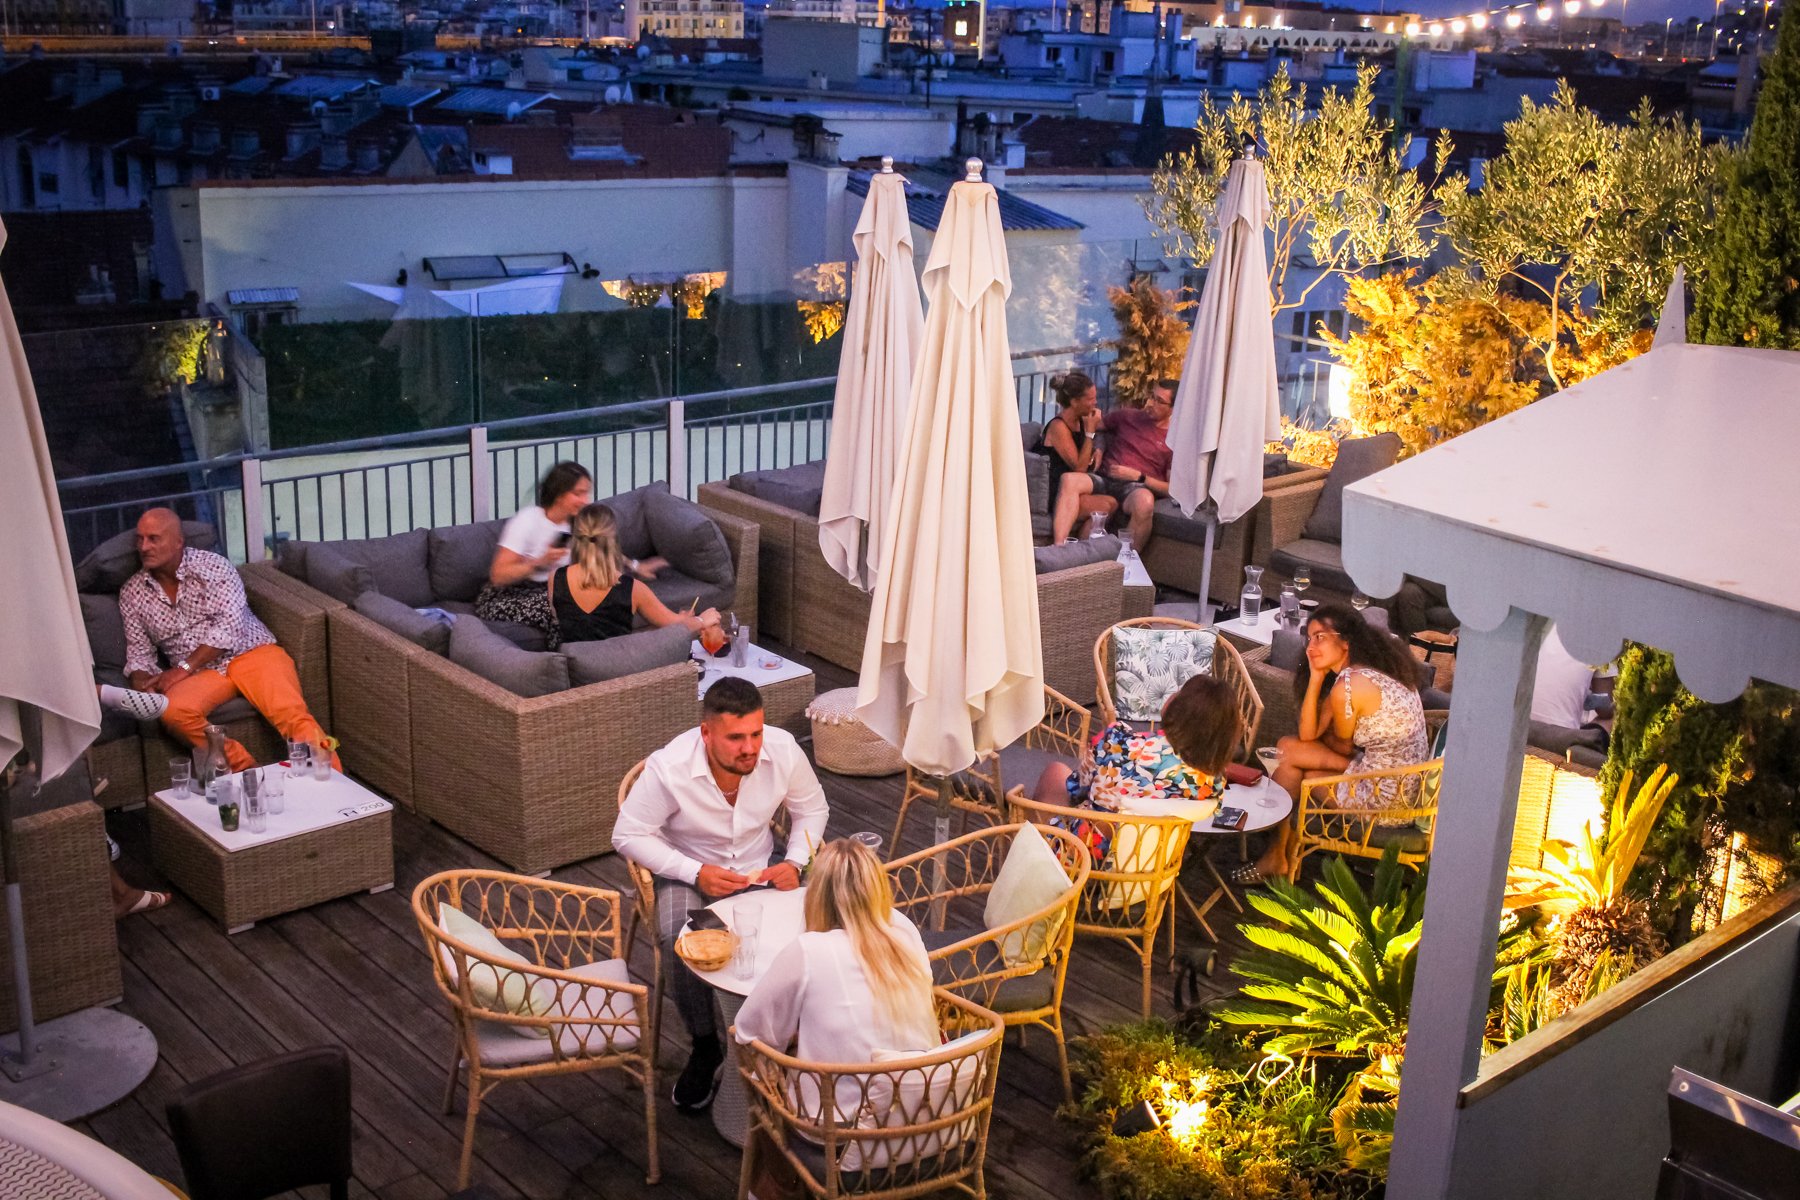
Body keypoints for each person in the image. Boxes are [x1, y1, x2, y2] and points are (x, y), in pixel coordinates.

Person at [611, 677, 830, 1113]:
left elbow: (812, 808)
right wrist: (696, 872)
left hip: (763, 868)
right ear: (706, 733)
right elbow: (628, 834)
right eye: (735, 737)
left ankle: (799, 1038)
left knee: (822, 925)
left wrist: (796, 862)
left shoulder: (783, 750)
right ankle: (706, 1045)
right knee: (679, 934)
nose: (749, 747)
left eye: (755, 733)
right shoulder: (669, 769)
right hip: (689, 875)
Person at [116, 508, 336, 774]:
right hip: (202, 673)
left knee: (292, 715)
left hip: (251, 651)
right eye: (139, 540)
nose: (144, 547)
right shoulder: (132, 593)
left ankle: (336, 787)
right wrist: (141, 680)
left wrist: (181, 669)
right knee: (172, 712)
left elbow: (229, 628)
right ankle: (246, 773)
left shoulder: (213, 566)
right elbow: (139, 652)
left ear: (178, 542)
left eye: (153, 539)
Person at [1239, 603, 1428, 883]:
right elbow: (1309, 735)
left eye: (1321, 637)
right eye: (1309, 638)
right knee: (1290, 753)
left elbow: (1341, 747)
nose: (1310, 647)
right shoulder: (1371, 672)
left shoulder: (1349, 687)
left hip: (1386, 802)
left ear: (1346, 642)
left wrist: (1322, 743)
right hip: (1403, 789)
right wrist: (1316, 678)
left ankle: (1276, 854)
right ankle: (1277, 857)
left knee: (1294, 762)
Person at [1032, 674, 1243, 838]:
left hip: (1084, 853)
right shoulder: (1213, 782)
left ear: (1179, 707)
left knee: (1056, 772)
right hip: (1148, 867)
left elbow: (1077, 789)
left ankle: (1027, 868)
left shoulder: (1120, 742)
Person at [549, 503, 716, 643]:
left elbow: (575, 627)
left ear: (577, 539)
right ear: (613, 541)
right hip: (620, 675)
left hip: (574, 675)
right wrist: (702, 620)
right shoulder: (634, 589)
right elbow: (674, 627)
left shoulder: (555, 579)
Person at [1049, 380, 1175, 550]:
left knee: (1145, 502)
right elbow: (1097, 426)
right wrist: (1099, 447)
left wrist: (1139, 476)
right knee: (1069, 479)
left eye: (1159, 401)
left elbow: (1171, 489)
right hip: (1104, 477)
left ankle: (1126, 563)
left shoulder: (1174, 440)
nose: (1151, 403)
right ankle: (1059, 548)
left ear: (1173, 408)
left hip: (1134, 487)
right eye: (1151, 396)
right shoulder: (1127, 416)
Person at [1032, 372, 1114, 536]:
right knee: (1105, 507)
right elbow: (1079, 470)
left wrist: (1098, 448)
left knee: (1112, 504)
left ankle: (1082, 550)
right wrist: (1090, 433)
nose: (1095, 403)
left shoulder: (1082, 420)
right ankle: (1067, 547)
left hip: (1076, 488)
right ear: (1075, 402)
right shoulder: (1058, 427)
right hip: (1056, 491)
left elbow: (1103, 432)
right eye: (1090, 399)